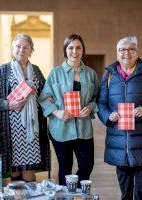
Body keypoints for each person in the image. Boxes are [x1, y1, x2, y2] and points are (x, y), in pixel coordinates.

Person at [97, 36, 142, 200]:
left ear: (137, 52)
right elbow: (100, 103)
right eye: (122, 49)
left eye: (131, 49)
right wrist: (108, 115)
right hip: (120, 142)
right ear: (117, 53)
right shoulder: (109, 75)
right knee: (125, 191)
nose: (126, 53)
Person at [0, 34, 50, 182]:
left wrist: (40, 93)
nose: (21, 50)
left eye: (25, 47)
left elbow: (46, 93)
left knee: (29, 172)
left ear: (31, 50)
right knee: (14, 173)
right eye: (18, 46)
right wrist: (8, 104)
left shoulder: (36, 70)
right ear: (12, 49)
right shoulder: (3, 70)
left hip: (32, 129)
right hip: (11, 131)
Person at [39, 34, 99, 185]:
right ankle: (66, 196)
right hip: (60, 128)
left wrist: (90, 107)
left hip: (83, 128)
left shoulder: (91, 74)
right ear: (65, 50)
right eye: (71, 47)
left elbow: (97, 98)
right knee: (65, 167)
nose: (75, 51)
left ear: (83, 50)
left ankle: (76, 193)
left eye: (78, 47)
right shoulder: (55, 73)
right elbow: (44, 98)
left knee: (87, 165)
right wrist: (57, 112)